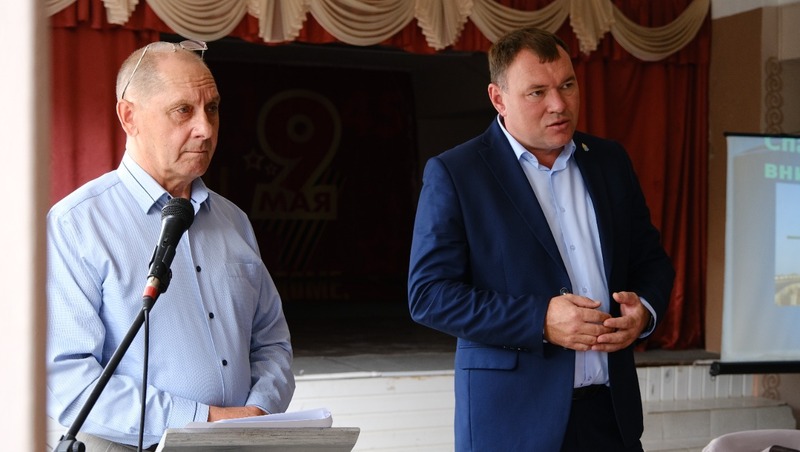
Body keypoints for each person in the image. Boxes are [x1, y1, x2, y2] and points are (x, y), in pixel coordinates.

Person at [408, 27, 675, 451]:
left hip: (610, 418)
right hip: (513, 424)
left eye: (567, 85)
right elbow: (429, 295)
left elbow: (651, 261)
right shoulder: (457, 174)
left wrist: (643, 311)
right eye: (537, 92)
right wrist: (540, 321)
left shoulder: (609, 161)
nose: (559, 104)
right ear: (498, 99)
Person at [46, 41, 295, 450]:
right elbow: (68, 381)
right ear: (129, 116)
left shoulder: (234, 221)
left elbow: (271, 341)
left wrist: (259, 412)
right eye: (183, 110)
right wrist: (203, 420)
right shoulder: (76, 225)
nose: (205, 128)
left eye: (212, 108)